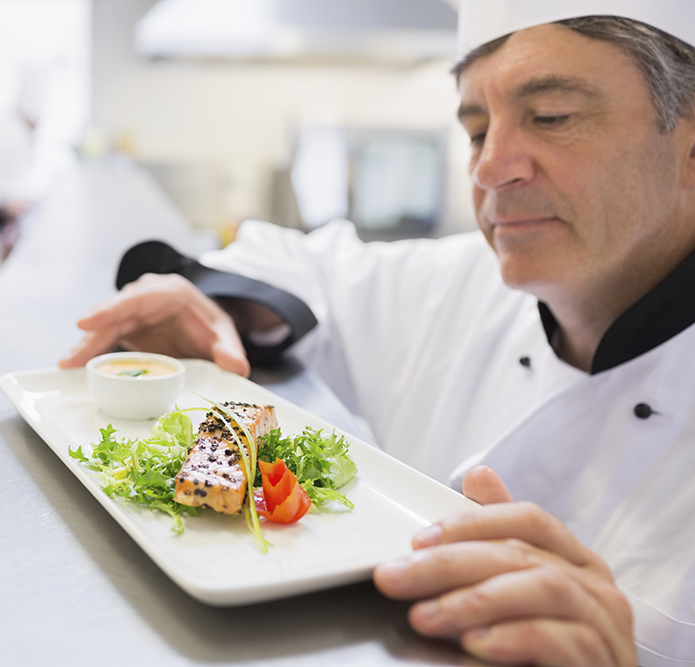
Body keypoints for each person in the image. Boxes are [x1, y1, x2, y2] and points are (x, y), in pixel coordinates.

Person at [59, 1, 695, 664]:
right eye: (476, 131)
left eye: (552, 117)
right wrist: (206, 304)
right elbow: (293, 264)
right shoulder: (453, 282)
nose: (488, 167)